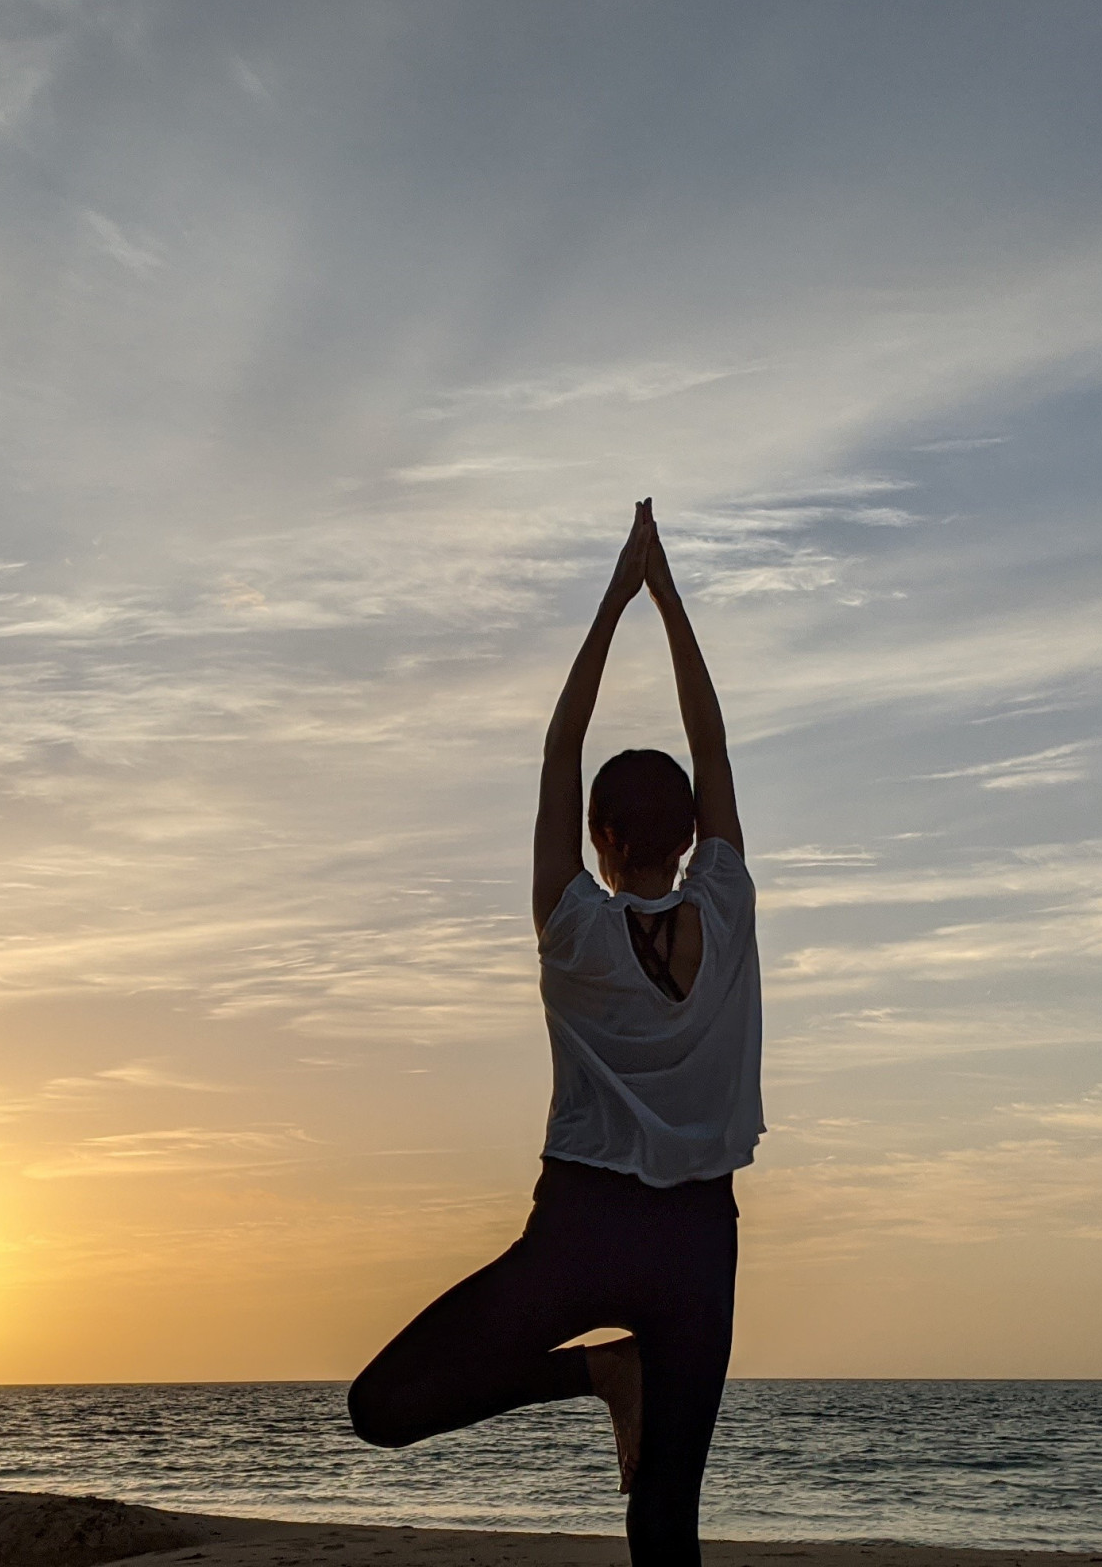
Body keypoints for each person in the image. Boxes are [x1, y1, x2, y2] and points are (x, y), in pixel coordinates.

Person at [346, 499, 763, 1567]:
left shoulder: (573, 926)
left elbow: (559, 745)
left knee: (385, 1405)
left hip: (582, 1230)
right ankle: (613, 1374)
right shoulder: (728, 902)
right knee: (664, 1527)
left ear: (601, 837)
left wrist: (616, 598)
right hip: (697, 1248)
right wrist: (670, 600)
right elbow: (711, 738)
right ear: (693, 837)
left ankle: (594, 1373)